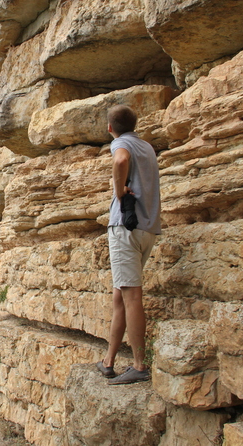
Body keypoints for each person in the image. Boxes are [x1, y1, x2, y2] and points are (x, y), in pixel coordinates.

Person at [97, 104, 161, 385]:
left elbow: (120, 161)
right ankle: (108, 361)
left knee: (132, 296)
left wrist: (118, 190)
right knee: (120, 295)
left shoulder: (121, 144)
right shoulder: (146, 146)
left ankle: (139, 365)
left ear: (110, 128)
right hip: (147, 227)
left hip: (126, 227)